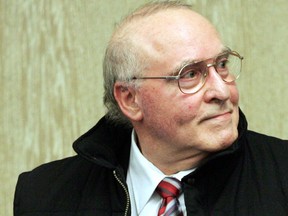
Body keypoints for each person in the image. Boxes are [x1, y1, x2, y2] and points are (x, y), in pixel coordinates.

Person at [14, 1, 288, 216]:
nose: (222, 91)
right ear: (130, 99)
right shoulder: (44, 196)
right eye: (190, 75)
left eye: (222, 65)